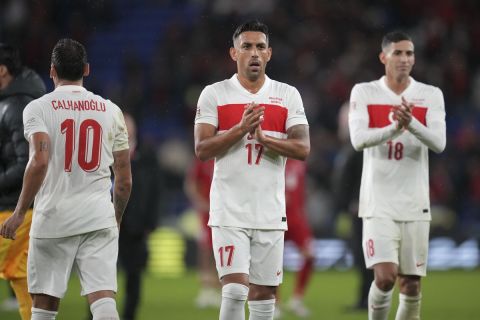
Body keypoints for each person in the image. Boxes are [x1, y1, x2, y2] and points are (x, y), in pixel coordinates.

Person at [0, 38, 132, 320]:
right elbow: (123, 179)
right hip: (98, 217)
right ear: (86, 69)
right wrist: (116, 217)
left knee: (43, 307)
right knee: (103, 300)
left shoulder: (38, 109)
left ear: (51, 71)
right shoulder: (112, 111)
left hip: (52, 218)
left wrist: (20, 212)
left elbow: (39, 160)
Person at [194, 20, 310, 320]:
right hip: (229, 211)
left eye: (260, 47)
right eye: (247, 46)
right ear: (234, 53)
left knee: (263, 298)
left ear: (269, 54)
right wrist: (241, 129)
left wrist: (265, 139)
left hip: (270, 213)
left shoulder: (287, 95)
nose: (254, 53)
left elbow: (303, 148)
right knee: (234, 291)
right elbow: (203, 148)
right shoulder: (214, 94)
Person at [348, 31, 446, 320]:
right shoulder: (364, 92)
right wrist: (395, 127)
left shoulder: (430, 94)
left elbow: (439, 143)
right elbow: (358, 139)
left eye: (409, 53)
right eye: (398, 53)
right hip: (378, 203)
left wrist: (411, 123)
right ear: (383, 57)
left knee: (411, 285)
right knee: (385, 277)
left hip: (416, 203)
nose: (405, 59)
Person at [0, 43, 46, 320]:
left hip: (14, 210)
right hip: (18, 207)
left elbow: (24, 163)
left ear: (2, 70)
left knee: (23, 277)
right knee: (21, 278)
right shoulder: (14, 101)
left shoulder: (17, 106)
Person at [117, 113, 160, 320]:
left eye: (128, 124)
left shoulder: (147, 155)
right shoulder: (105, 154)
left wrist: (151, 222)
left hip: (135, 226)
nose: (125, 128)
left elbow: (156, 191)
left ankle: (129, 316)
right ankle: (94, 315)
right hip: (108, 224)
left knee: (134, 276)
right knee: (98, 275)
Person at [332, 102, 373, 311]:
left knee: (364, 256)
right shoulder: (348, 149)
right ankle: (364, 300)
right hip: (352, 210)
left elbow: (363, 177)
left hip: (362, 209)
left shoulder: (360, 149)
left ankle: (368, 300)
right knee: (359, 256)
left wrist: (358, 200)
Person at [275, 159, 314, 319]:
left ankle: (296, 300)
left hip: (297, 218)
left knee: (310, 255)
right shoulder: (275, 157)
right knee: (273, 261)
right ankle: (274, 303)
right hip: (277, 216)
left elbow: (301, 189)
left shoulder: (299, 161)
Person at [184, 157, 221, 308]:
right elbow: (190, 183)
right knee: (205, 249)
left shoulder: (226, 157)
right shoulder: (203, 160)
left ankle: (219, 291)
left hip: (224, 213)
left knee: (221, 250)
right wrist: (198, 201)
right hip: (206, 213)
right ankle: (206, 290)